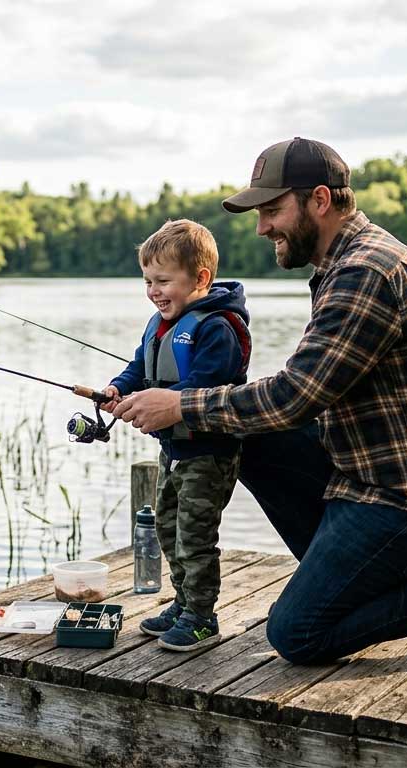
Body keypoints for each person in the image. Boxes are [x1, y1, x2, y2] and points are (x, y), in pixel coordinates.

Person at [112, 137, 407, 664]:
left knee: (297, 633)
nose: (262, 228)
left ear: (320, 200)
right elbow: (297, 395)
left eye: (272, 210)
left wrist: (179, 407)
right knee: (245, 432)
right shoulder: (342, 264)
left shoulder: (365, 272)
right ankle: (337, 576)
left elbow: (295, 396)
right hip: (372, 473)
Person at [101, 219, 252, 651]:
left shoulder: (217, 327)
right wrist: (118, 388)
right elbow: (138, 366)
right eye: (148, 282)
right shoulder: (160, 323)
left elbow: (207, 386)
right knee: (167, 528)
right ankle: (183, 602)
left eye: (163, 281)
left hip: (209, 453)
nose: (154, 291)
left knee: (195, 536)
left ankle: (202, 617)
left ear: (200, 279)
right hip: (173, 451)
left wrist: (155, 401)